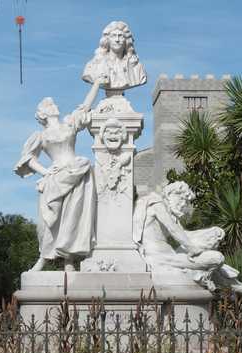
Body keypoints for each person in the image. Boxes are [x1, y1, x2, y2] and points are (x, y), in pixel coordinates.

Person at [14, 75, 107, 272]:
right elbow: (28, 159)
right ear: (44, 113)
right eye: (50, 105)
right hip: (55, 179)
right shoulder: (40, 136)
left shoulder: (69, 124)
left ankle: (68, 261)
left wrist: (97, 83)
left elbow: (85, 107)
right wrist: (46, 171)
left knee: (73, 218)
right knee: (49, 222)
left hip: (76, 172)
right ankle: (43, 258)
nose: (55, 106)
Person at [133, 182, 242, 292]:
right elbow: (174, 230)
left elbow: (184, 234)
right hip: (157, 256)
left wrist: (210, 232)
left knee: (216, 259)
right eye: (183, 199)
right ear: (170, 194)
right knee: (217, 258)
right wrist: (193, 249)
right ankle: (228, 283)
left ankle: (229, 282)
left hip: (170, 255)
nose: (184, 205)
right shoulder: (156, 203)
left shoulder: (170, 214)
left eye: (187, 202)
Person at [82, 21, 147, 92]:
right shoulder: (93, 65)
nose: (117, 40)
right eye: (113, 36)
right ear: (107, 40)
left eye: (121, 36)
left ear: (126, 41)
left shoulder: (137, 67)